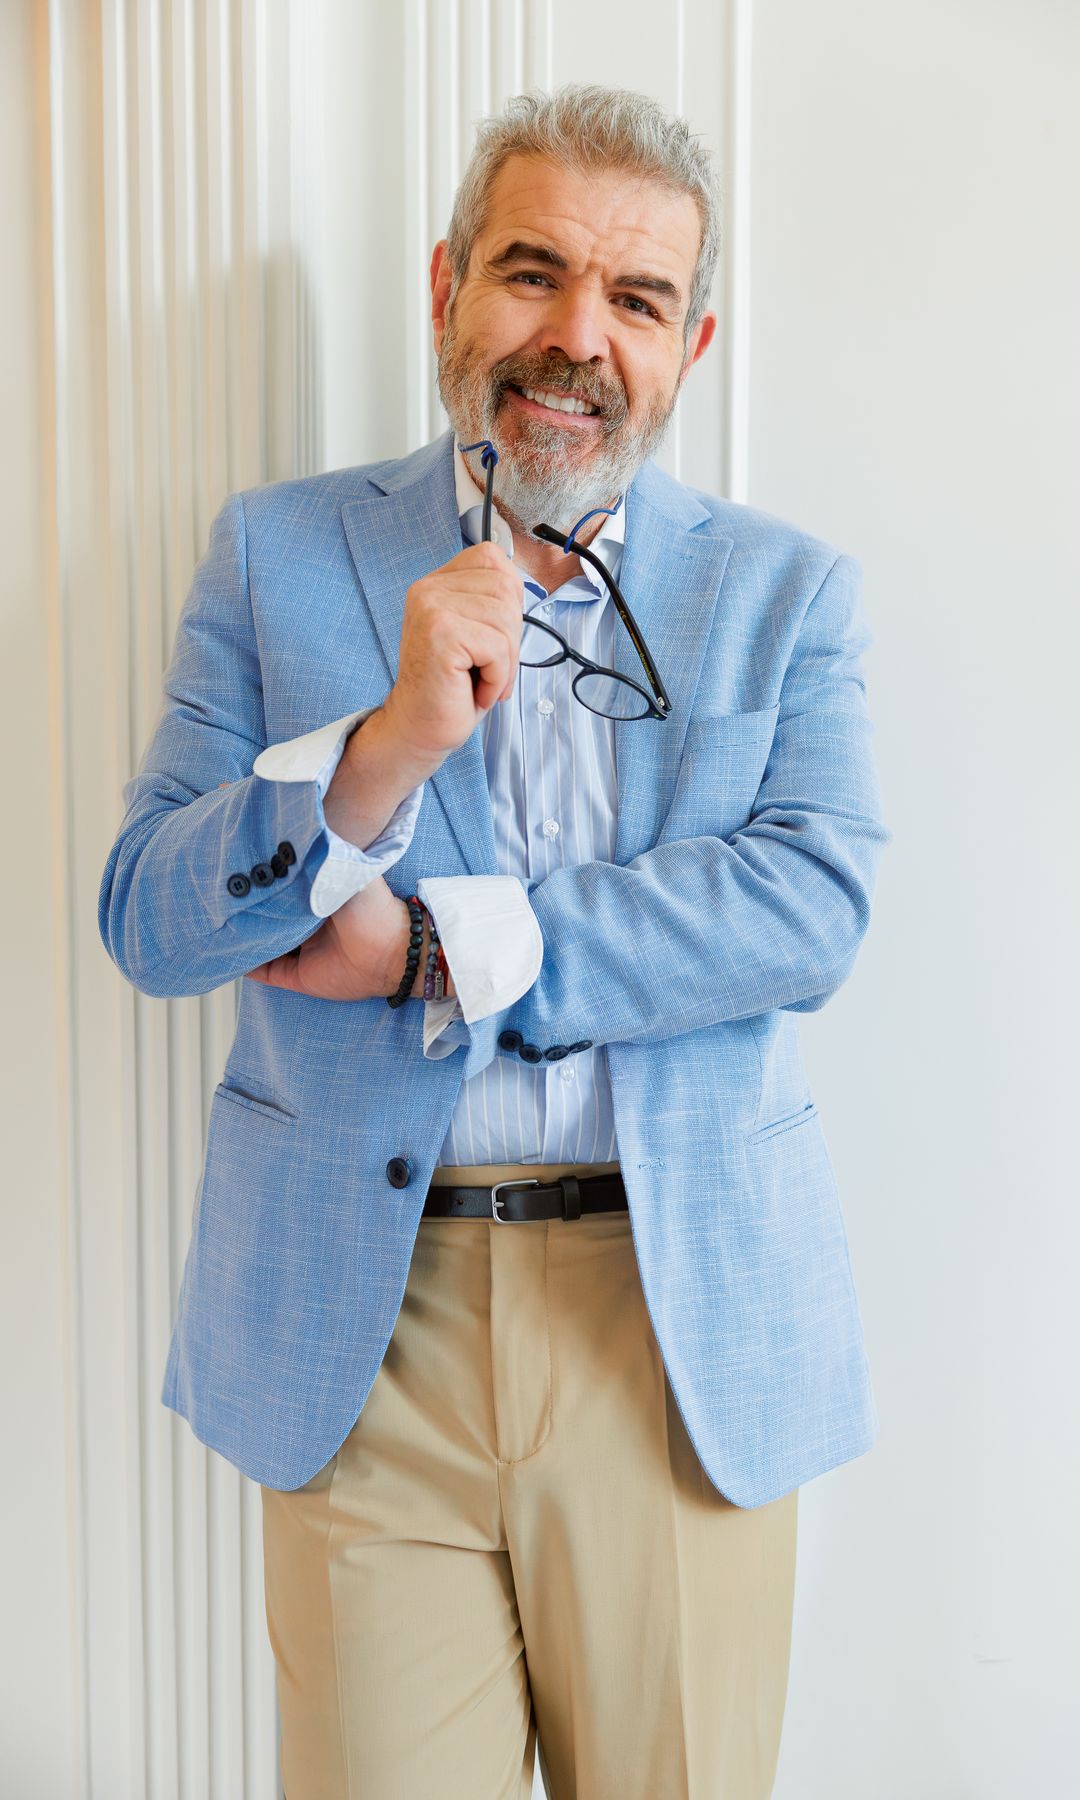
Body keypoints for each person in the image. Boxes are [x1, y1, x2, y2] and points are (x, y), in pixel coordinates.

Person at [99, 82, 890, 1800]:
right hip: (361, 1332)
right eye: (532, 275)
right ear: (450, 286)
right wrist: (375, 756)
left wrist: (446, 946)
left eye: (637, 301)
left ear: (692, 344)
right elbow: (149, 919)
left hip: (671, 1329)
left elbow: (811, 902)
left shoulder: (783, 593)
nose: (576, 340)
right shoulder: (280, 554)